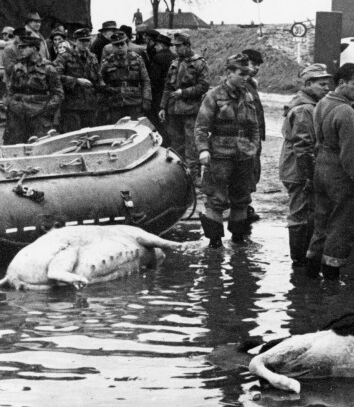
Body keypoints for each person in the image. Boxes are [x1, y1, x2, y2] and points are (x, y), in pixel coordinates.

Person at [304, 62, 354, 281]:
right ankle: (332, 280)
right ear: (342, 83)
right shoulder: (346, 112)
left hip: (321, 169)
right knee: (341, 225)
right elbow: (350, 157)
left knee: (321, 223)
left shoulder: (322, 103)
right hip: (339, 175)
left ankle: (310, 275)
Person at [194, 53, 261, 247]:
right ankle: (214, 243)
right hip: (220, 154)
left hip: (244, 154)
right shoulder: (214, 95)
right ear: (229, 73)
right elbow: (201, 127)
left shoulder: (247, 95)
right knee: (216, 198)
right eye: (241, 73)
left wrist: (254, 148)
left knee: (242, 198)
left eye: (247, 74)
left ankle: (238, 239)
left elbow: (254, 126)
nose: (245, 78)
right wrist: (203, 150)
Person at [279, 63, 332, 264]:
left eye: (327, 84)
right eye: (322, 84)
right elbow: (303, 147)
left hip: (295, 168)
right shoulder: (305, 110)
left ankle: (302, 257)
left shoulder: (305, 105)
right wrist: (310, 176)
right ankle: (299, 261)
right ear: (308, 84)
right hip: (298, 170)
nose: (327, 88)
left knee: (304, 211)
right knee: (300, 213)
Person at [159, 31, 210, 181]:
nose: (176, 49)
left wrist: (184, 92)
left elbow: (204, 86)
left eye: (179, 46)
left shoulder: (199, 63)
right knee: (176, 145)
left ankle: (194, 178)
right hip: (174, 111)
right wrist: (163, 107)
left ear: (187, 46)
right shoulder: (174, 63)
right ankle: (180, 178)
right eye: (175, 46)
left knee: (192, 146)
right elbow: (167, 87)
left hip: (191, 111)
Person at [3, 36, 63, 144]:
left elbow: (58, 94)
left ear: (34, 48)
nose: (20, 50)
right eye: (19, 47)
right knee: (13, 149)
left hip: (39, 116)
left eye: (23, 47)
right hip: (18, 115)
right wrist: (12, 105)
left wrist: (46, 111)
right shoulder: (17, 67)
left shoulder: (48, 68)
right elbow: (10, 90)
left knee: (40, 149)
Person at [99, 30, 151, 124]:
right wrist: (104, 104)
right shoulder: (107, 62)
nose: (120, 47)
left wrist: (146, 99)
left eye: (122, 44)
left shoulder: (137, 60)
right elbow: (101, 82)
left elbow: (145, 80)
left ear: (127, 44)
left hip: (134, 102)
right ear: (112, 46)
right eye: (116, 45)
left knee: (136, 127)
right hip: (115, 103)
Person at [54, 29, 101, 132]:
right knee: (73, 136)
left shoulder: (92, 58)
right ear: (75, 41)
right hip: (72, 106)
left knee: (90, 136)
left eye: (87, 41)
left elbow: (98, 77)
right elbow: (55, 76)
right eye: (81, 41)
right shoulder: (64, 57)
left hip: (90, 105)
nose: (85, 44)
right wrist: (76, 81)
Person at [240, 48, 266, 221]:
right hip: (246, 137)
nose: (255, 68)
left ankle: (245, 206)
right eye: (252, 64)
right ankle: (243, 209)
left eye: (257, 65)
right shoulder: (241, 84)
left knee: (252, 172)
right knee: (246, 173)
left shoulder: (251, 83)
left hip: (254, 136)